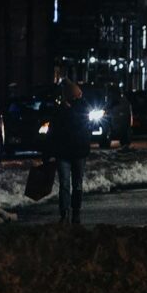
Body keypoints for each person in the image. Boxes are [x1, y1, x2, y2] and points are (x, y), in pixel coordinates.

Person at [45, 79, 91, 225]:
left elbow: (53, 132)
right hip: (72, 152)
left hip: (70, 152)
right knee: (73, 183)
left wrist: (48, 151)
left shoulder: (75, 110)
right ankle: (69, 212)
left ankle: (69, 212)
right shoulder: (63, 111)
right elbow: (53, 132)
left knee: (69, 184)